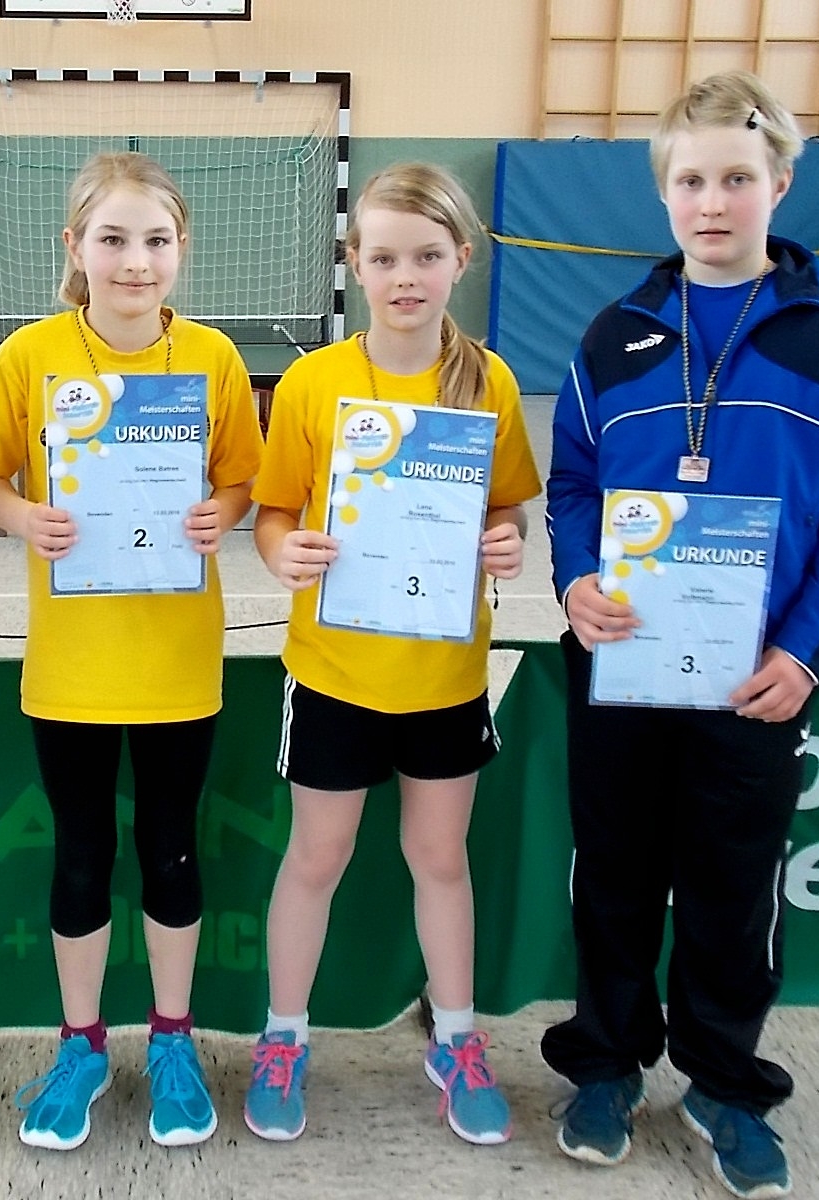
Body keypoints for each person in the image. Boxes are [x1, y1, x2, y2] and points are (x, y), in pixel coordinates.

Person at [541, 71, 819, 1200]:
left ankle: (722, 1080)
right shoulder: (613, 337)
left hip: (758, 677)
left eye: (736, 179)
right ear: (663, 193)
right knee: (611, 875)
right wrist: (575, 582)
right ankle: (605, 1064)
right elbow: (572, 486)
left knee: (733, 886)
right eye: (691, 180)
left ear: (780, 183)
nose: (712, 202)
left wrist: (801, 651)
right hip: (621, 661)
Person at [0, 151, 263, 1152]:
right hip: (72, 669)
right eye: (114, 238)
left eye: (157, 240)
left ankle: (171, 1040)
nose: (137, 261)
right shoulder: (31, 356)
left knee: (171, 849)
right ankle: (83, 1045)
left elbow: (242, 481)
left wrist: (219, 514)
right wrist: (24, 518)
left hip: (177, 663)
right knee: (83, 854)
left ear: (182, 249)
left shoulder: (213, 359)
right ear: (75, 246)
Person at [242, 163, 542, 1146]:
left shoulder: (489, 380)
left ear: (461, 258)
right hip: (334, 674)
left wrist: (506, 541)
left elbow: (508, 508)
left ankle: (455, 1039)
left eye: (425, 256)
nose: (404, 276)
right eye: (383, 258)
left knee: (440, 858)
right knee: (316, 856)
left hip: (445, 676)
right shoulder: (314, 382)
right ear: (355, 265)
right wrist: (283, 551)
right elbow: (273, 512)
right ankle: (283, 1038)